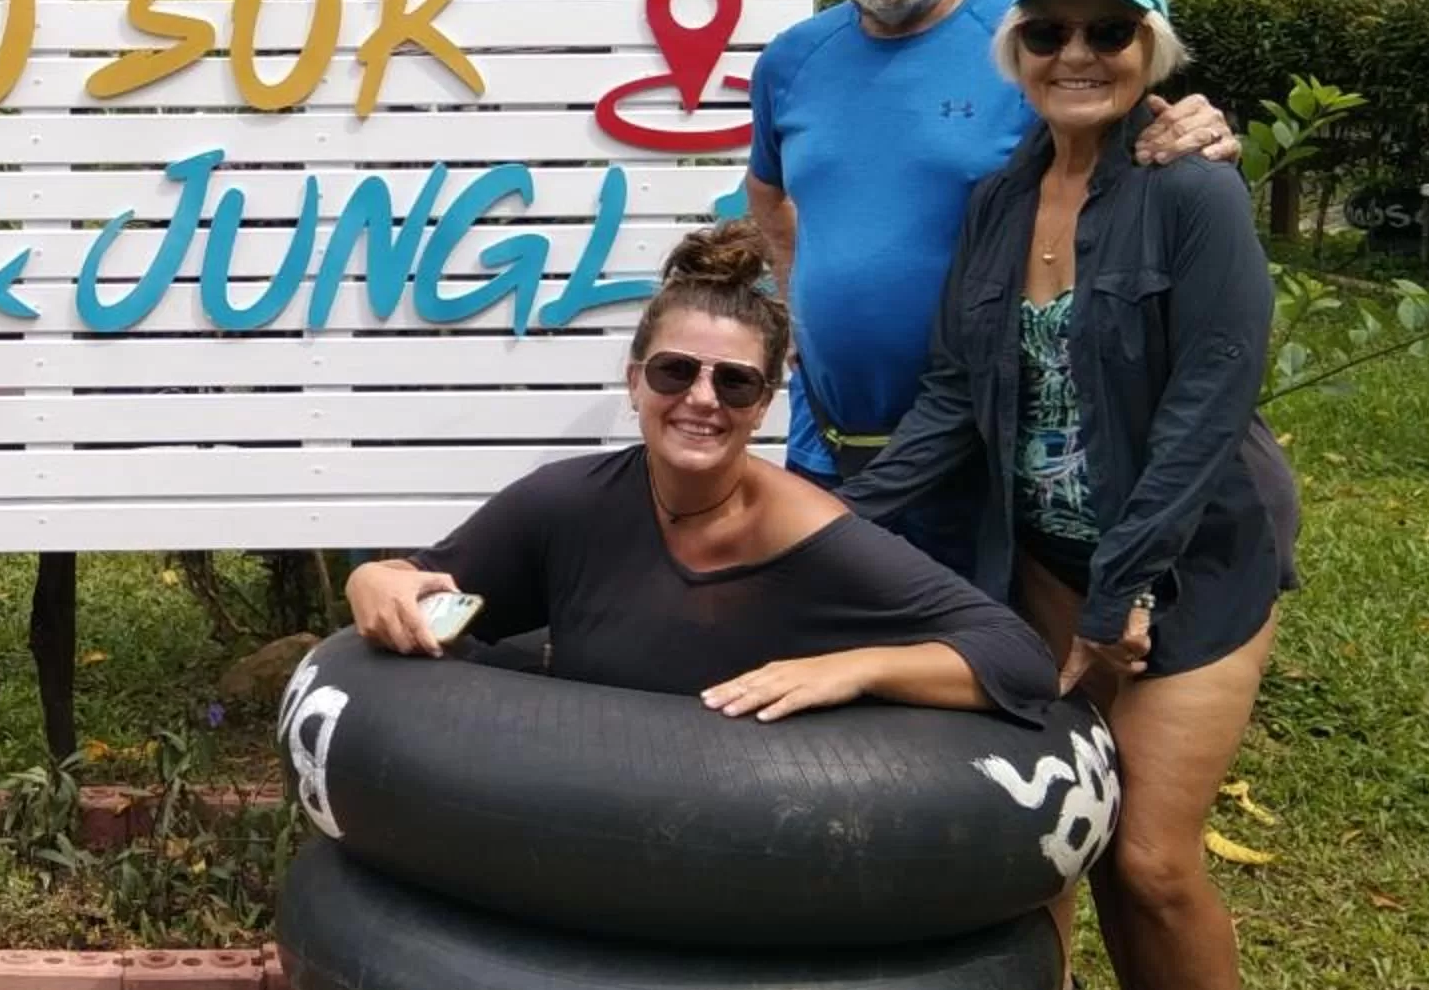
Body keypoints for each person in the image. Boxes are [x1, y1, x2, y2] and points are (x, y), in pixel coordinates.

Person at [845, 0, 1294, 990]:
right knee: (1056, 837)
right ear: (1018, 53)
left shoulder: (1192, 194)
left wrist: (1127, 588)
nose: (1079, 56)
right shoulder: (998, 203)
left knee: (1149, 860)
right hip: (1043, 558)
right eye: (1051, 34)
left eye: (1110, 32)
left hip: (1194, 564)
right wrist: (823, 533)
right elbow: (950, 401)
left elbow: (1212, 403)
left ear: (1152, 49)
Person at [344, 221, 1062, 732]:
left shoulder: (808, 534)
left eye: (736, 384)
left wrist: (854, 667)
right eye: (675, 371)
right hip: (584, 825)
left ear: (764, 406)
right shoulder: (565, 504)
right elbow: (421, 585)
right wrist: (371, 579)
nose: (701, 400)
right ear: (634, 382)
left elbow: (1019, 661)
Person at [747, 0, 1236, 522]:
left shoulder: (1035, 41)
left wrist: (1200, 128)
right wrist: (802, 309)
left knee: (982, 631)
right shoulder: (792, 61)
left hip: (991, 445)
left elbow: (1142, 146)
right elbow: (768, 191)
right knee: (831, 624)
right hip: (830, 437)